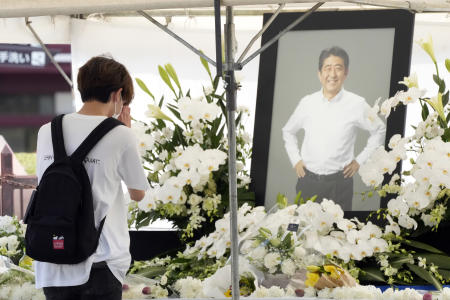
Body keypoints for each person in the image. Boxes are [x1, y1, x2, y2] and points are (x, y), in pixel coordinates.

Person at [34, 56, 149, 300]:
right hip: (100, 259)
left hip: (52, 258)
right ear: (118, 94)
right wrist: (126, 133)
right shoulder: (120, 135)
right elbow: (138, 193)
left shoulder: (47, 130)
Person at [282, 46, 385, 211]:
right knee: (301, 230)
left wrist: (360, 161)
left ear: (346, 73)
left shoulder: (357, 104)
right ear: (319, 73)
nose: (332, 74)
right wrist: (296, 160)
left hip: (339, 185)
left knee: (338, 233)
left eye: (338, 68)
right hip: (307, 182)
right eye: (327, 68)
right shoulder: (307, 103)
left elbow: (379, 129)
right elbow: (288, 131)